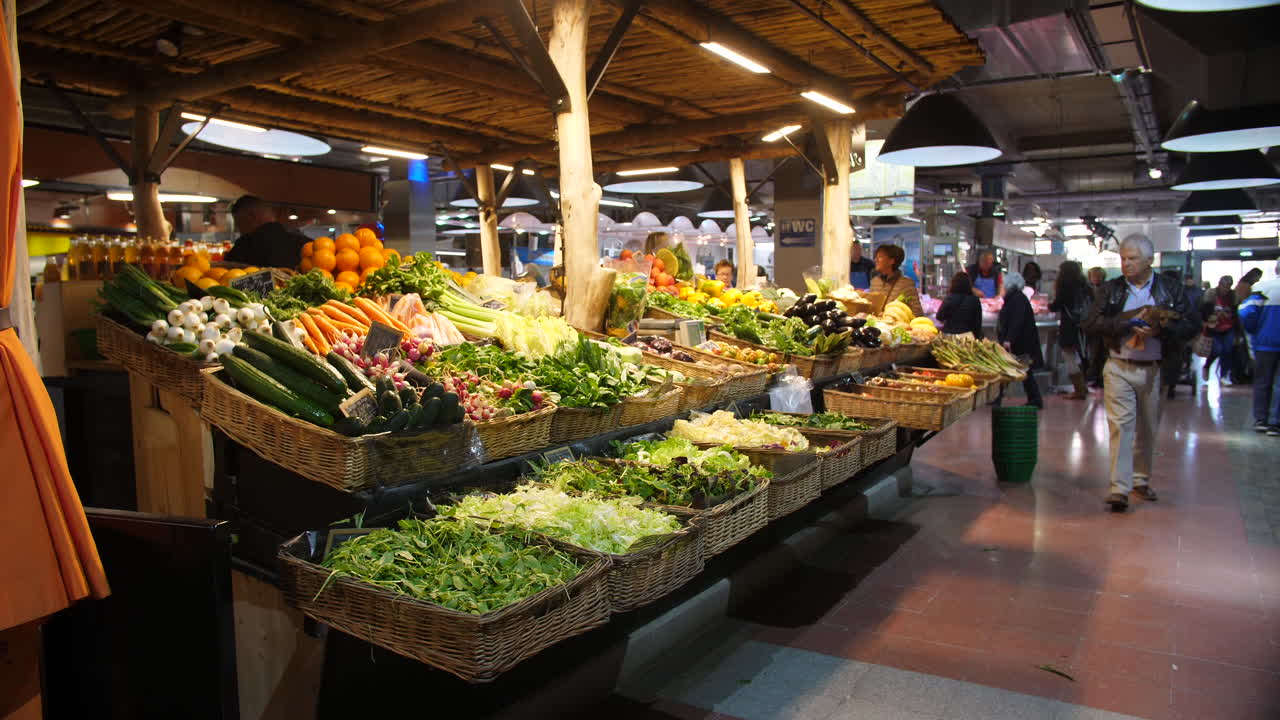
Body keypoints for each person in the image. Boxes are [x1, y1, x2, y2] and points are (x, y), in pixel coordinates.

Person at [1082, 234, 1197, 512]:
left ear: (1149, 260)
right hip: (1118, 366)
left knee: (1148, 427)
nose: (1126, 264)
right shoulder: (1111, 290)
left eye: (1132, 258)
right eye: (1123, 258)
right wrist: (1125, 324)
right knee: (1120, 426)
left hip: (1154, 369)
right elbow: (1091, 323)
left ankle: (1140, 480)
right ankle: (1119, 489)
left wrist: (1161, 330)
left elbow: (1192, 325)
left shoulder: (1170, 290)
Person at [1239, 259, 1280, 434]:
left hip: (1265, 344)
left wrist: (1256, 331)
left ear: (1276, 269)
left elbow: (1245, 313)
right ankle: (1275, 422)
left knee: (1263, 381)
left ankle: (1261, 419)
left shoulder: (1262, 288)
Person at [997, 271, 1045, 409]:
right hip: (1021, 342)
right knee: (1022, 371)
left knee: (1015, 370)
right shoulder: (1017, 298)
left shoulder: (1016, 299)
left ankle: (1034, 399)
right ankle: (1034, 398)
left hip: (1020, 343)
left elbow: (1016, 321)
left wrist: (1008, 339)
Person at [224, 195, 308, 269]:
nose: (239, 230)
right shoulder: (302, 241)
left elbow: (227, 271)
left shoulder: (245, 245)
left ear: (252, 216)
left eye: (239, 223)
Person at [1050, 261, 1091, 399]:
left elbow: (1056, 305)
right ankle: (1083, 386)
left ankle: (1079, 389)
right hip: (1083, 326)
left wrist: (1048, 306)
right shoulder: (1085, 285)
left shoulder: (1065, 286)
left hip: (1069, 326)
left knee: (1069, 356)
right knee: (1080, 356)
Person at [1159, 270, 1192, 399]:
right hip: (1175, 334)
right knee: (1174, 360)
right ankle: (1170, 385)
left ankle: (1165, 384)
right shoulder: (1183, 294)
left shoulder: (1157, 293)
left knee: (1163, 359)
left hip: (1165, 333)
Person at [1200, 275, 1237, 384]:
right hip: (1214, 328)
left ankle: (1224, 375)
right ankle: (1207, 366)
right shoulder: (1210, 294)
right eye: (1224, 286)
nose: (1226, 290)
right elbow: (1204, 311)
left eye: (1228, 287)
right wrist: (1210, 317)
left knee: (1227, 351)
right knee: (1217, 350)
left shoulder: (1233, 296)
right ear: (1219, 285)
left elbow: (1235, 313)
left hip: (1228, 327)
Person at [870, 244, 923, 317]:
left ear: (891, 261)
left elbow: (917, 313)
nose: (876, 260)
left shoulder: (906, 284)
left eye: (880, 257)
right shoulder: (875, 282)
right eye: (876, 257)